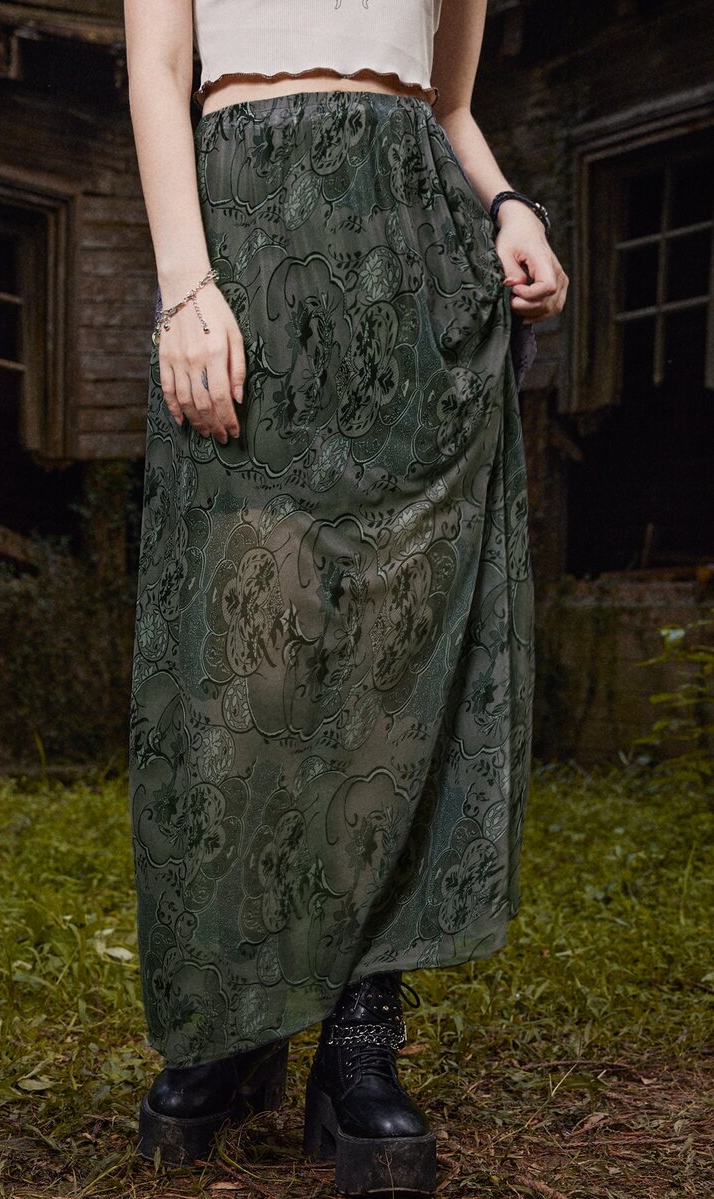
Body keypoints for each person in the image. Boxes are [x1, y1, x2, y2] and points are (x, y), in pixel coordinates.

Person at [124, 1, 568, 1193]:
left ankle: (359, 1037)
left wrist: (511, 206)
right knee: (249, 653)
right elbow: (159, 70)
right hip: (245, 249)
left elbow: (449, 105)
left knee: (391, 658)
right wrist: (184, 286)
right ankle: (236, 1012)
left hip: (413, 264)